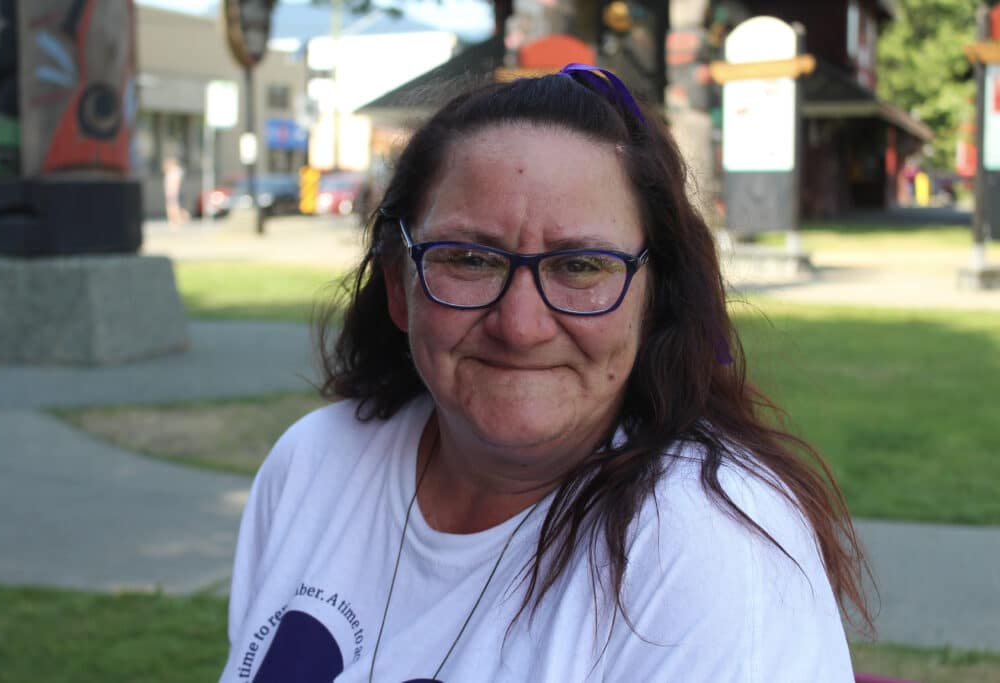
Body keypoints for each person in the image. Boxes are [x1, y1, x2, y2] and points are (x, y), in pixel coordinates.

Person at [219, 65, 871, 682]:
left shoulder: (709, 549)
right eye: (469, 259)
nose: (520, 325)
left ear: (653, 299)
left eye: (581, 266)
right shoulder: (313, 463)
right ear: (399, 285)